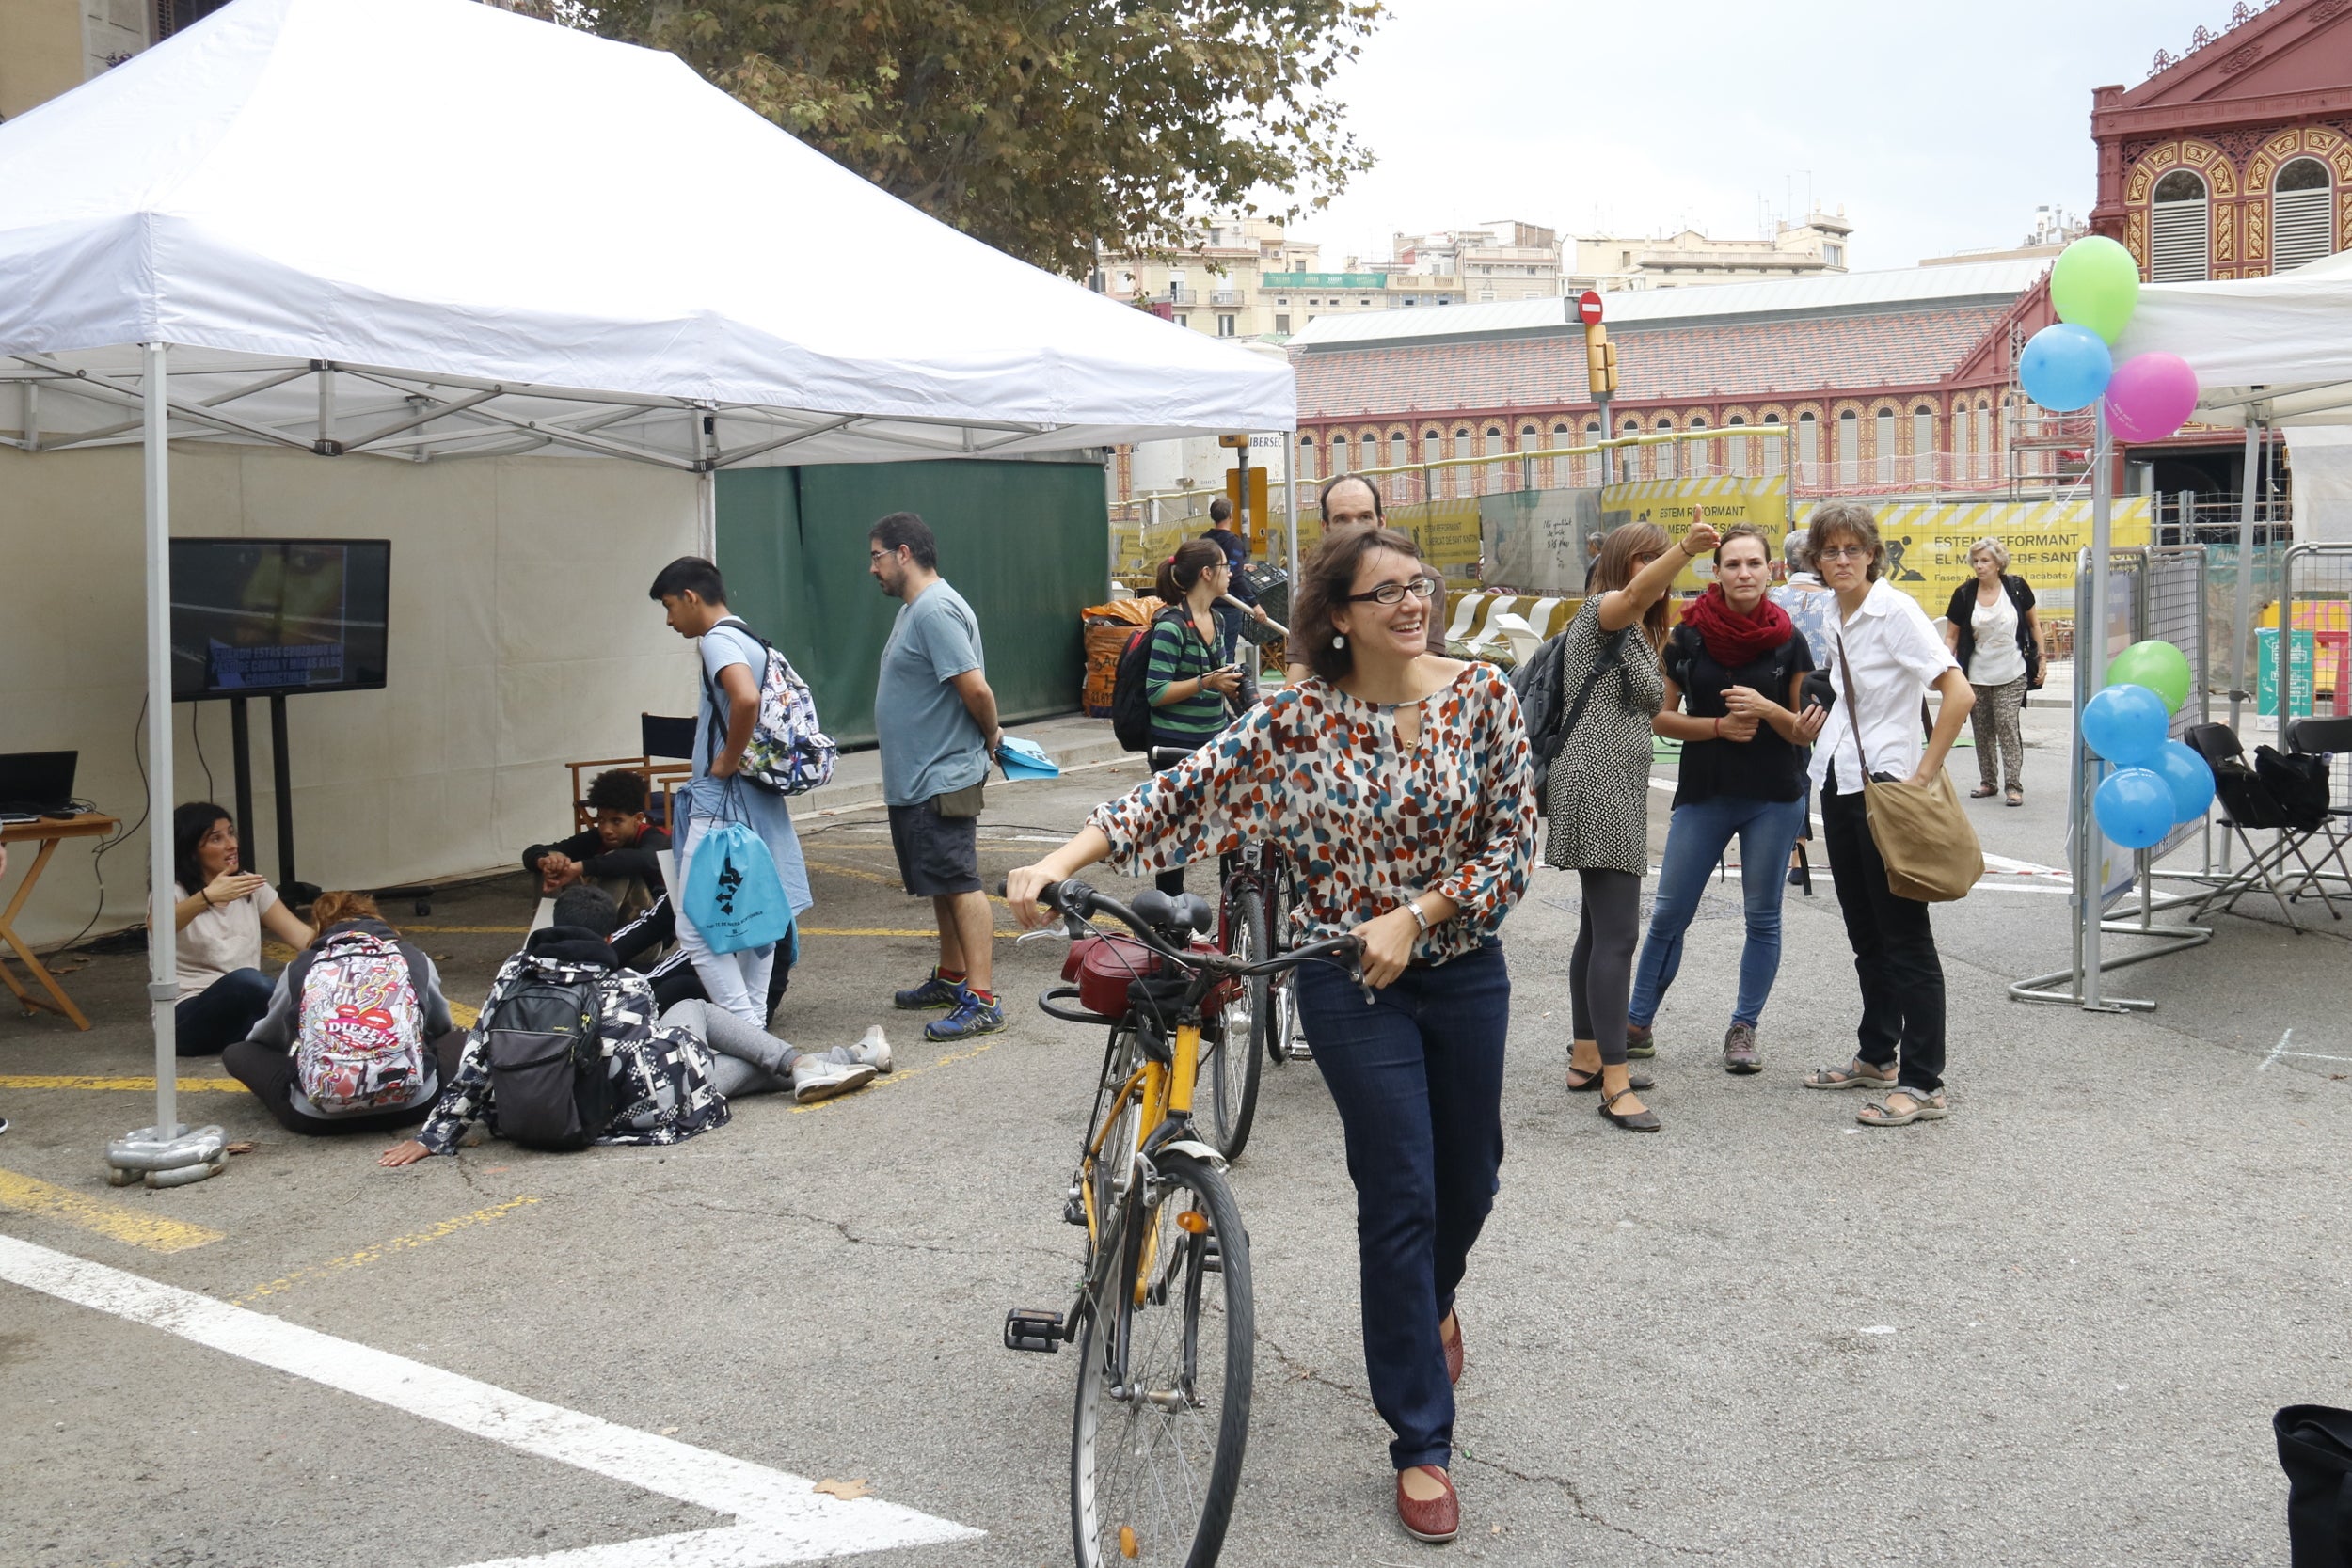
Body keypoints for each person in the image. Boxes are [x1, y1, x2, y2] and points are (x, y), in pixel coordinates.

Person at [1008, 525, 1535, 1547]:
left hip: (1462, 968)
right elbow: (1176, 792)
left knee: (1471, 1179)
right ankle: (1421, 1438)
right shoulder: (1295, 720)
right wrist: (1051, 860)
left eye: (1415, 585)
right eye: (1383, 592)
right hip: (1346, 981)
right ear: (1337, 615)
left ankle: (1433, 1306)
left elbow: (1512, 846)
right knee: (1400, 1193)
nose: (1409, 604)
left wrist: (1418, 913)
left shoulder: (1482, 697)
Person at [1800, 501, 1973, 1128]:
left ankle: (1926, 1081)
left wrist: (1921, 776)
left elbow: (1959, 693)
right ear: (1816, 560)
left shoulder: (1894, 611)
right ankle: (1879, 1056)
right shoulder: (1832, 610)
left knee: (1905, 939)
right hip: (1842, 783)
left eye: (1853, 549)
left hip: (1887, 790)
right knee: (1865, 935)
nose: (1842, 560)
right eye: (1830, 550)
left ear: (1873, 553)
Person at [1629, 525, 1824, 1076]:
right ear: (1715, 572)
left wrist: (1766, 710)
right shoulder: (1687, 637)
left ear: (1771, 571)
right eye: (1732, 564)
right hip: (1706, 791)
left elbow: (1802, 732)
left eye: (1753, 564)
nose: (1743, 573)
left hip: (1773, 796)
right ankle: (1637, 1022)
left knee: (1762, 917)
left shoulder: (1790, 640)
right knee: (1668, 913)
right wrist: (1716, 726)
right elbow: (1658, 717)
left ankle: (1744, 1027)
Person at [1546, 516, 1719, 1132]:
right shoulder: (1603, 611)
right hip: (1595, 784)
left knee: (1597, 930)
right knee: (1618, 934)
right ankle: (1615, 1083)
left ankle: (1587, 1056)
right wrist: (1682, 549)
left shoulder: (1638, 629)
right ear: (1625, 565)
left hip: (1611, 783)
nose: (1658, 573)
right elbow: (1641, 592)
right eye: (1644, 560)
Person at [378, 885, 736, 1164]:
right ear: (609, 938)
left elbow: (479, 1056)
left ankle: (786, 1065)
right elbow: (627, 1064)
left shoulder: (513, 974)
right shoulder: (629, 983)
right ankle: (785, 1065)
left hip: (524, 1114)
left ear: (553, 926)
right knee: (686, 1044)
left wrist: (435, 1135)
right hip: (602, 1117)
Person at [646, 557, 813, 1027]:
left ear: (691, 598)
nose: (669, 619)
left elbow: (745, 698)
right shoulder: (748, 635)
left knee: (694, 926)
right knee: (755, 916)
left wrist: (723, 762)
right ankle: (753, 1027)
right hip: (752, 802)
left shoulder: (717, 640)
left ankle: (740, 1022)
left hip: (721, 804)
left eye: (669, 606)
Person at [868, 511, 1007, 1043]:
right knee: (941, 882)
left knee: (959, 881)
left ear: (904, 553)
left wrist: (991, 736)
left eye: (877, 556)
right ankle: (952, 976)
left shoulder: (935, 610)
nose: (872, 568)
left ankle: (983, 998)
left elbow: (976, 690)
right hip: (921, 775)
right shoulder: (916, 609)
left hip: (940, 774)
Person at [221, 892, 468, 1135]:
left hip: (318, 1116)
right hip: (413, 1105)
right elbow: (439, 1026)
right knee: (459, 1037)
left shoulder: (302, 966)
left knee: (238, 1052)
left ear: (321, 927)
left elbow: (269, 1038)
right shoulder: (413, 958)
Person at [1143, 540, 1257, 895]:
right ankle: (1169, 922)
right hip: (1173, 746)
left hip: (1213, 739)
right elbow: (1156, 691)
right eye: (1225, 567)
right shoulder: (1171, 626)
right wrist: (1207, 681)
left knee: (1230, 832)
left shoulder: (1219, 619)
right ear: (1207, 574)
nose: (1231, 573)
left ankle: (1234, 912)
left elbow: (1216, 678)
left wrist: (1239, 693)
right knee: (1176, 840)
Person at [166, 803, 315, 1056]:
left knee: (302, 980)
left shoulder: (249, 885)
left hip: (243, 1014)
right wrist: (207, 896)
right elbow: (159, 926)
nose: (231, 844)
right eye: (216, 838)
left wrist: (352, 943)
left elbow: (303, 937)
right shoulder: (174, 891)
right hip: (187, 1020)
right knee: (248, 981)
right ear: (191, 850)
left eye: (231, 833)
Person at [1285, 474, 1446, 683]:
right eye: (1342, 519)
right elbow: (1299, 670)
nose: (1355, 528)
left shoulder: (1424, 581)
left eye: (1365, 517)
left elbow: (1423, 668)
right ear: (1326, 529)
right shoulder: (1318, 589)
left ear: (1381, 522)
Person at [1944, 537, 2046, 808]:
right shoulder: (1964, 594)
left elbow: (2034, 624)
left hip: (2013, 670)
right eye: (1975, 561)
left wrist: (2043, 658)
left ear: (1999, 562)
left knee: (2006, 724)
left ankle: (2013, 785)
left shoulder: (2016, 588)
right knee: (1982, 729)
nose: (1979, 566)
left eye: (1985, 560)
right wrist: (1946, 666)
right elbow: (1952, 636)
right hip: (1976, 673)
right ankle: (1988, 781)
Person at [1769, 528, 1838, 893]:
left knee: (1795, 772)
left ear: (1785, 564)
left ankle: (1796, 854)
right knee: (1833, 770)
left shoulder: (1772, 598)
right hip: (1830, 696)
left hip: (1783, 697)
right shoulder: (1837, 600)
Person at [521, 768, 672, 921]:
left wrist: (579, 867)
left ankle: (590, 939)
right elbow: (535, 851)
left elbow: (645, 859)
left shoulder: (657, 838)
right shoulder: (598, 837)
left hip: (648, 930)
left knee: (617, 866)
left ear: (638, 818)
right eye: (601, 820)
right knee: (552, 863)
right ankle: (546, 937)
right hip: (603, 924)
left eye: (616, 821)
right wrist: (544, 861)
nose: (607, 829)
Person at [1198, 497, 1270, 624]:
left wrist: (1240, 566)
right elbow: (1235, 578)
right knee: (1225, 643)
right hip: (1228, 605)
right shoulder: (1233, 543)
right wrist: (1255, 605)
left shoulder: (1203, 540)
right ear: (1231, 516)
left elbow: (1210, 568)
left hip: (1206, 604)